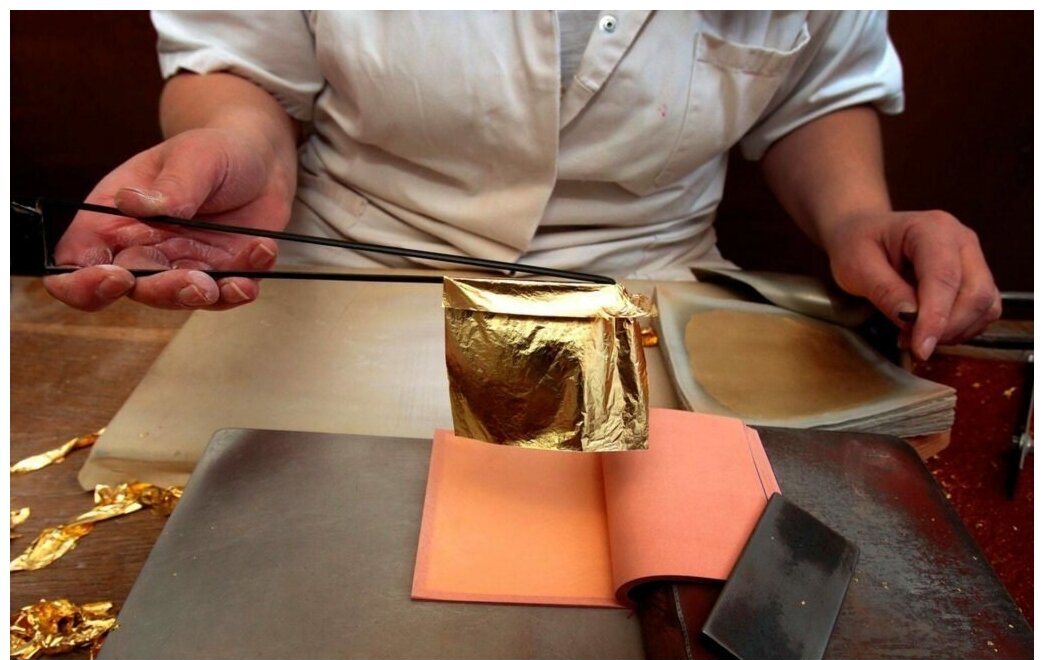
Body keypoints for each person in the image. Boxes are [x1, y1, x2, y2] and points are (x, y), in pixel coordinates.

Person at [42, 10, 1001, 361]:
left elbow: (811, 89)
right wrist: (234, 142)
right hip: (354, 277)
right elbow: (244, 65)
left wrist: (858, 215)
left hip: (651, 295)